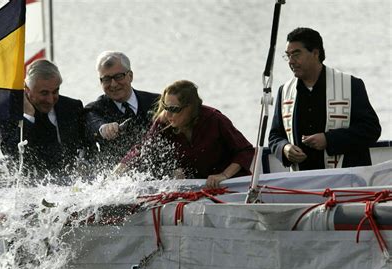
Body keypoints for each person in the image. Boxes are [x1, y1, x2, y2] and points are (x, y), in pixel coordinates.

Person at [268, 27, 381, 171]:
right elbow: (275, 136)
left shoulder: (351, 85)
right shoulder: (284, 91)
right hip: (302, 183)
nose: (291, 61)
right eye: (288, 56)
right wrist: (284, 148)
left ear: (315, 53)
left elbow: (371, 130)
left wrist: (329, 140)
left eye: (296, 54)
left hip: (347, 180)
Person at [115, 80, 255, 188]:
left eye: (173, 109)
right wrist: (118, 172)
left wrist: (223, 175)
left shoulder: (215, 119)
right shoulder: (164, 123)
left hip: (232, 185)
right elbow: (143, 149)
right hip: (196, 189)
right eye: (165, 107)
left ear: (190, 108)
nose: (168, 114)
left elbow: (245, 150)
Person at [0, 59, 94, 181]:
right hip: (32, 184)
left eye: (55, 92)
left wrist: (85, 164)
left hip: (72, 183)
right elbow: (10, 151)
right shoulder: (9, 111)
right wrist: (28, 116)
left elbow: (88, 142)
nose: (50, 99)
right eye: (44, 93)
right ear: (27, 89)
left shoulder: (72, 107)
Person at [85, 51, 159, 168]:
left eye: (118, 76)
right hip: (118, 177)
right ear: (101, 82)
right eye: (107, 79)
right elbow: (93, 122)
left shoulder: (156, 102)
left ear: (130, 76)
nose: (113, 84)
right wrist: (104, 128)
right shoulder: (94, 108)